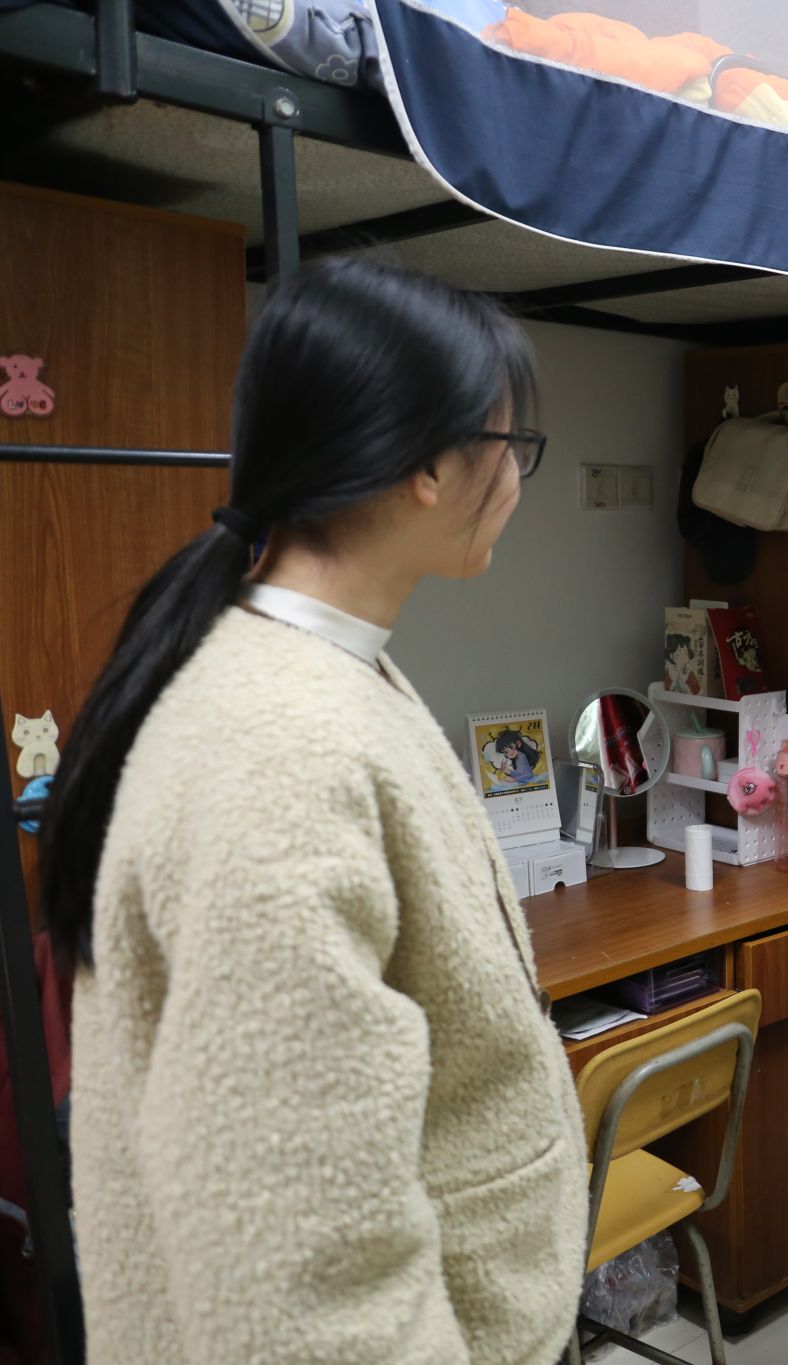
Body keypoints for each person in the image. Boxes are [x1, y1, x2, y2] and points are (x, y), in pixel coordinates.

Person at [43, 259, 588, 1363]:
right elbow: (302, 1271)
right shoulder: (277, 748)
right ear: (427, 468)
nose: (516, 484)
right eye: (511, 447)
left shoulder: (323, 671)